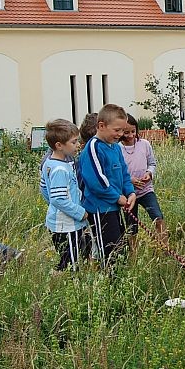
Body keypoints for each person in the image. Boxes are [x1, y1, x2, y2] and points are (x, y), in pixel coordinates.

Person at [79, 103, 136, 269]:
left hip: (114, 206)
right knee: (110, 250)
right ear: (101, 126)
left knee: (120, 247)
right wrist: (117, 197)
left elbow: (124, 172)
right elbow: (97, 181)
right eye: (117, 130)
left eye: (122, 130)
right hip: (100, 209)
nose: (120, 134)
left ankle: (118, 277)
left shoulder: (115, 147)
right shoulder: (93, 148)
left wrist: (130, 192)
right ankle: (110, 279)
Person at [40, 119, 91, 272]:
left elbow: (45, 189)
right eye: (73, 142)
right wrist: (80, 212)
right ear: (59, 145)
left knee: (73, 256)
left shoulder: (50, 163)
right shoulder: (59, 170)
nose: (78, 145)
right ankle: (63, 280)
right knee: (71, 263)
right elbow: (58, 199)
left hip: (63, 221)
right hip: (67, 225)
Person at [120, 113, 166, 246]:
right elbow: (116, 173)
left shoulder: (144, 144)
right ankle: (133, 253)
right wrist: (130, 180)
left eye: (133, 131)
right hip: (128, 193)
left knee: (158, 217)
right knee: (131, 226)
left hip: (146, 190)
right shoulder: (117, 148)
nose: (130, 135)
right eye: (126, 132)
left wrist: (149, 173)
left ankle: (165, 249)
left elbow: (152, 163)